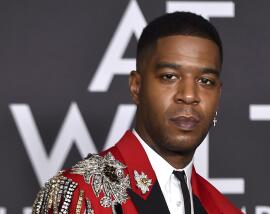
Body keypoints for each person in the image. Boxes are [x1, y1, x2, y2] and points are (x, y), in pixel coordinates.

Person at [32, 12, 243, 214]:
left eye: (205, 81)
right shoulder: (80, 194)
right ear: (136, 87)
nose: (188, 95)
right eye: (169, 76)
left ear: (218, 95)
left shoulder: (224, 210)